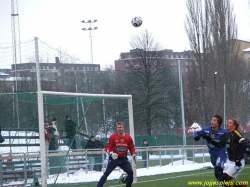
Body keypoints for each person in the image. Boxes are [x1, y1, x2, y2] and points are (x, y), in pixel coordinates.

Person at [203, 118, 249, 187]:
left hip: (237, 163)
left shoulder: (236, 133)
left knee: (222, 181)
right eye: (228, 122)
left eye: (230, 123)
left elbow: (244, 144)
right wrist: (210, 139)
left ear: (234, 126)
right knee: (226, 182)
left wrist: (238, 159)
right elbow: (220, 145)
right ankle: (240, 186)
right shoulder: (227, 135)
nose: (227, 124)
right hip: (230, 162)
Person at [97, 122, 136, 187]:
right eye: (118, 127)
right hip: (114, 159)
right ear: (116, 128)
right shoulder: (113, 137)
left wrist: (133, 154)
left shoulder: (128, 137)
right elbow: (107, 147)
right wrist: (111, 153)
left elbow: (131, 147)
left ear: (123, 128)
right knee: (106, 173)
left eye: (120, 127)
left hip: (123, 159)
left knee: (131, 173)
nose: (119, 129)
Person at [194, 114, 228, 181]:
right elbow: (197, 133)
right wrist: (196, 137)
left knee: (218, 169)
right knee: (218, 172)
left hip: (221, 153)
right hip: (213, 154)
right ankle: (232, 184)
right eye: (212, 120)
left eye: (214, 120)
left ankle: (221, 185)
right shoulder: (206, 130)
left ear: (218, 123)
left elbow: (231, 138)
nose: (212, 121)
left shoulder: (224, 132)